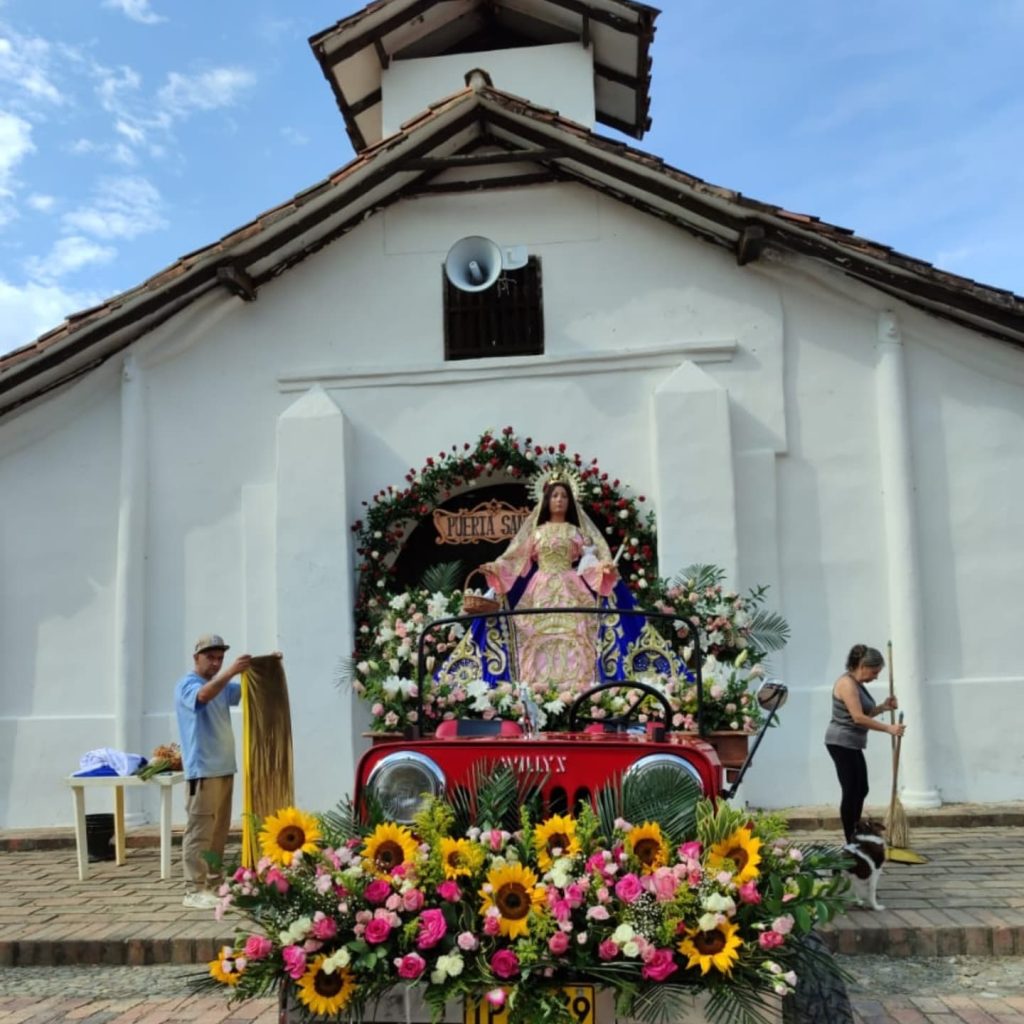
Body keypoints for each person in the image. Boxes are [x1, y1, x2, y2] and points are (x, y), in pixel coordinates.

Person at [479, 475, 618, 693]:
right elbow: (516, 558)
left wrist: (603, 569)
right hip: (541, 588)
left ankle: (577, 689)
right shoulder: (537, 532)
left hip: (570, 586)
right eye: (554, 495)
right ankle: (537, 688)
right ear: (547, 500)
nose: (559, 500)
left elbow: (588, 561)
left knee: (577, 632)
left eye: (564, 496)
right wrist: (496, 567)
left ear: (570, 501)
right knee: (536, 634)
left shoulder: (576, 532)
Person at [175, 633, 251, 909]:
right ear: (196, 658)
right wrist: (232, 671)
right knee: (200, 830)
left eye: (220, 659)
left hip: (223, 767)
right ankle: (193, 889)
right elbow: (203, 696)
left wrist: (265, 667)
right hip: (203, 770)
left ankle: (215, 882)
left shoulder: (221, 686)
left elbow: (243, 690)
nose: (216, 663)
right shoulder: (188, 684)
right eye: (210, 658)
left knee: (218, 830)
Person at [825, 643, 906, 843]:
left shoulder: (857, 685)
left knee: (861, 788)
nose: (876, 676)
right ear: (863, 665)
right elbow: (858, 718)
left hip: (852, 743)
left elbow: (865, 713)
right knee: (851, 789)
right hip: (841, 742)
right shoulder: (846, 684)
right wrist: (889, 729)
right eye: (875, 671)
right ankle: (851, 840)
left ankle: (855, 832)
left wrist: (883, 707)